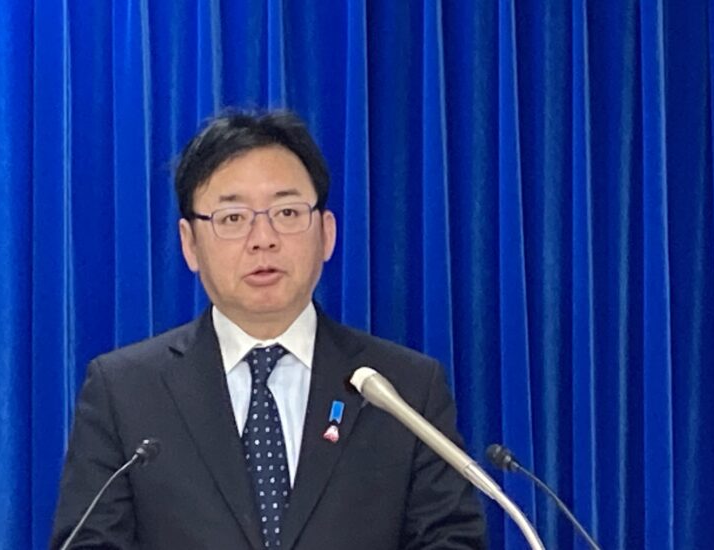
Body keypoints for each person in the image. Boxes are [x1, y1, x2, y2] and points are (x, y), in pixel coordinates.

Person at [50, 111, 487, 549]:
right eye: (232, 218)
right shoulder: (125, 392)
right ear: (189, 243)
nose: (263, 238)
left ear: (327, 233)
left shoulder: (404, 390)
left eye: (287, 212)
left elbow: (451, 541)